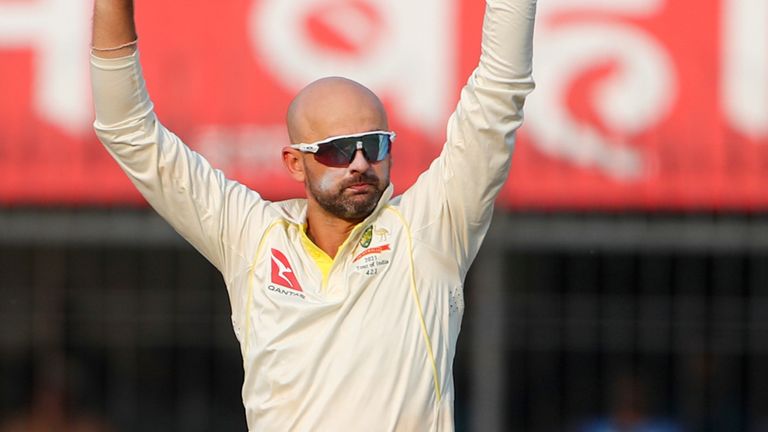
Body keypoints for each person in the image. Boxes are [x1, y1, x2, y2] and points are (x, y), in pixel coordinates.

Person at [90, 0, 536, 429]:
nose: (360, 162)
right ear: (293, 162)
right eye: (338, 150)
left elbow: (499, 93)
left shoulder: (430, 229)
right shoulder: (252, 237)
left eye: (375, 144)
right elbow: (128, 130)